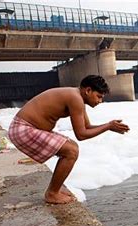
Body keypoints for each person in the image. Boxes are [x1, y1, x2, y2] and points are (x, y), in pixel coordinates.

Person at [8, 75, 130, 204]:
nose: (100, 101)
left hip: (26, 128)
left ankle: (54, 190)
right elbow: (81, 134)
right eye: (99, 96)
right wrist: (108, 126)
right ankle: (52, 193)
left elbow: (87, 127)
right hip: (23, 129)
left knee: (71, 147)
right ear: (88, 91)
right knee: (71, 151)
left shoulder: (77, 97)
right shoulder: (75, 98)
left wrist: (109, 126)